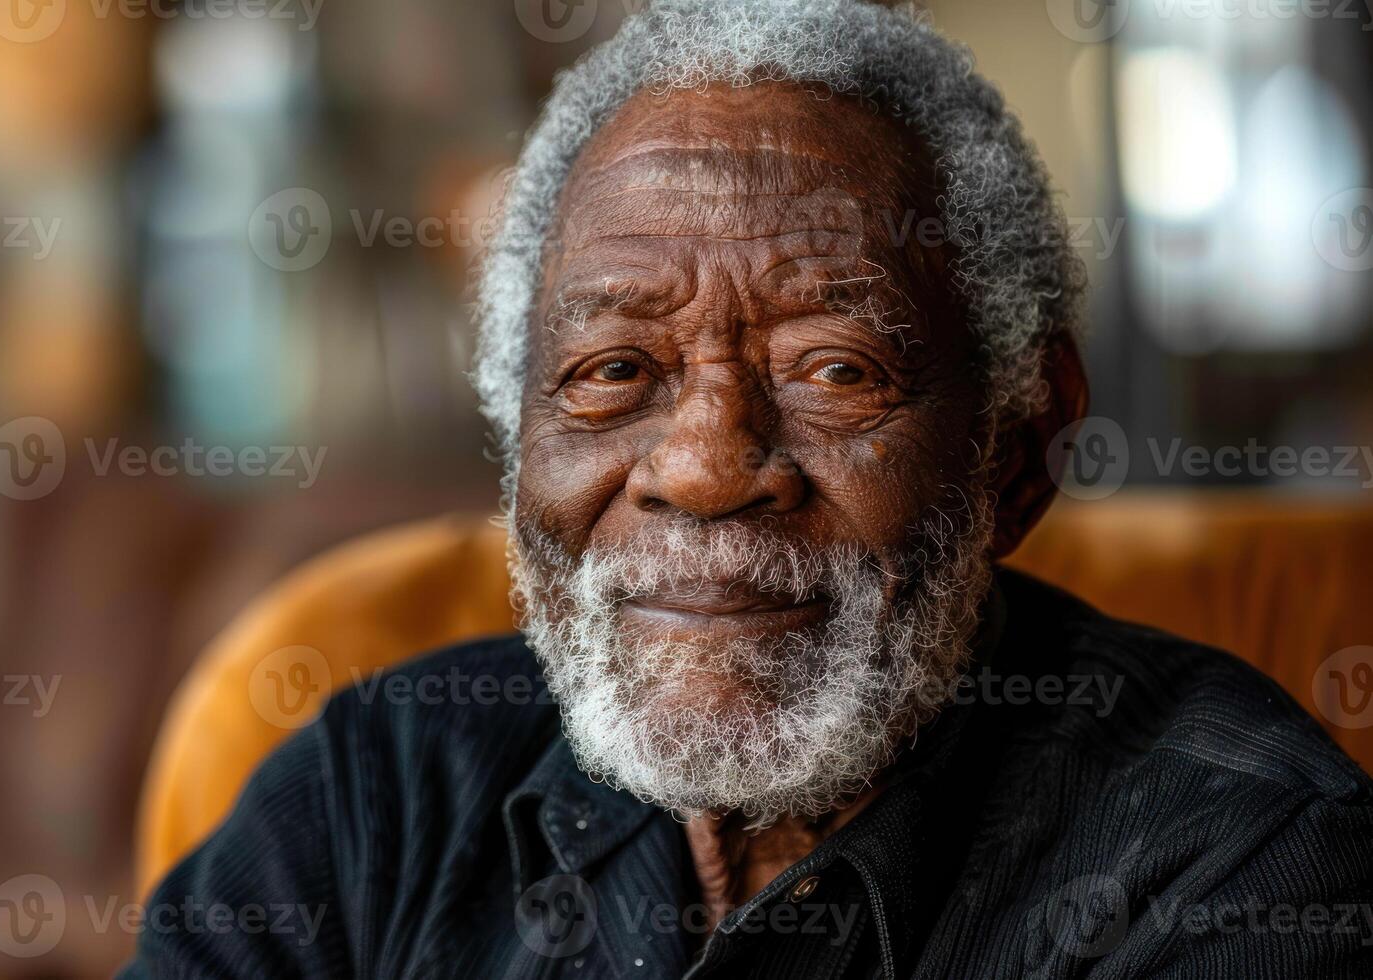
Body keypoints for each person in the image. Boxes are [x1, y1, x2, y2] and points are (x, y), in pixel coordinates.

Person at [125, 2, 1373, 976]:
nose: (708, 468)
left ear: (1016, 451)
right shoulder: (369, 800)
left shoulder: (1249, 867)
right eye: (614, 369)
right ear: (517, 440)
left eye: (836, 368)